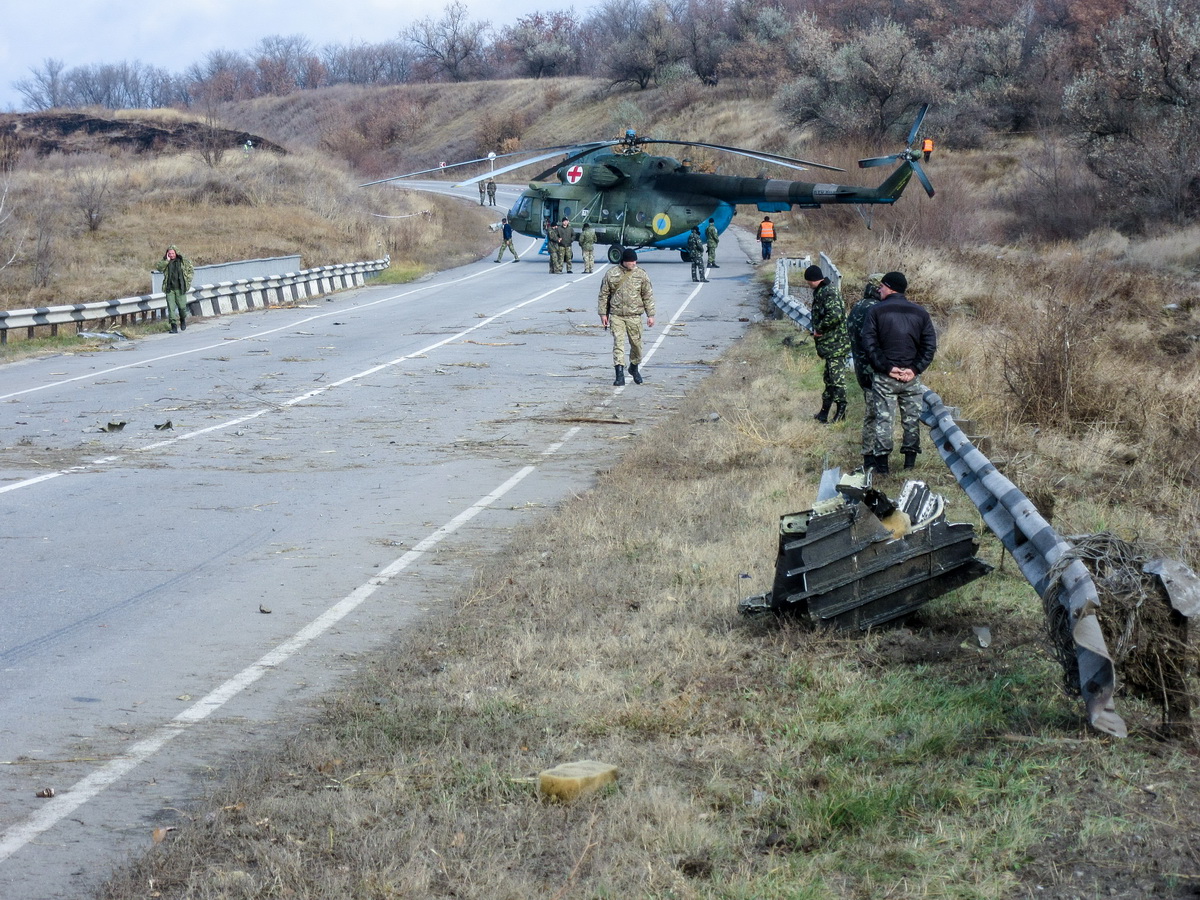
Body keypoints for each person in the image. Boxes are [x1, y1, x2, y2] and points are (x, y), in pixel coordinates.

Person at [861, 271, 937, 474]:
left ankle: (883, 467)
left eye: (882, 287)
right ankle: (909, 464)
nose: (879, 290)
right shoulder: (920, 313)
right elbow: (929, 346)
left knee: (884, 419)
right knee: (912, 420)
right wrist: (914, 369)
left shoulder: (876, 311)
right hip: (911, 378)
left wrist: (887, 367)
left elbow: (868, 343)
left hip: (886, 377)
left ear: (890, 287)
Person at [597, 248, 655, 386]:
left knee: (637, 345)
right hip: (617, 316)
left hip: (634, 316)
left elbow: (647, 295)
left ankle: (634, 367)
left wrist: (650, 315)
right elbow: (604, 294)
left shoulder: (641, 275)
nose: (634, 263)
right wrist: (603, 314)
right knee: (618, 344)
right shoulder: (611, 274)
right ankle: (619, 375)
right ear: (625, 261)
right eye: (631, 261)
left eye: (635, 261)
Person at [846, 274, 885, 468]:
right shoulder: (875, 309)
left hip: (861, 368)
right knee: (876, 414)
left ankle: (870, 454)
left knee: (871, 411)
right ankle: (873, 456)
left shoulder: (858, 306)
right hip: (873, 368)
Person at [803, 264, 849, 424]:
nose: (808, 286)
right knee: (829, 380)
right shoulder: (823, 291)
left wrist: (819, 329)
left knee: (837, 380)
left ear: (814, 280)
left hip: (836, 345)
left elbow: (835, 315)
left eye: (809, 282)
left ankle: (841, 413)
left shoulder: (828, 291)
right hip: (830, 346)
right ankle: (824, 412)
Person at [154, 245, 194, 333]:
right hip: (169, 289)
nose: (171, 255)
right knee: (171, 308)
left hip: (180, 288)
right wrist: (167, 261)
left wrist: (188, 280)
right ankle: (174, 326)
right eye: (169, 253)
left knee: (182, 307)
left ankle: (182, 319)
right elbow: (159, 268)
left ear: (176, 252)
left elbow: (191, 270)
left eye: (172, 253)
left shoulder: (183, 261)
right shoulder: (165, 261)